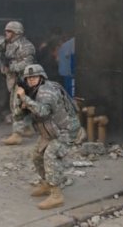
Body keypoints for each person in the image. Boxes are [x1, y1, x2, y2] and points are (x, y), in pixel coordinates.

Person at [14, 64, 83, 210]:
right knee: (37, 156)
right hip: (50, 131)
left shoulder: (46, 91)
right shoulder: (32, 91)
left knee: (50, 155)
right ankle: (46, 184)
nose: (31, 80)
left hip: (65, 130)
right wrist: (21, 102)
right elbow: (18, 116)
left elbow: (43, 111)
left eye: (34, 77)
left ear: (41, 77)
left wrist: (25, 99)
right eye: (29, 78)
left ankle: (56, 195)